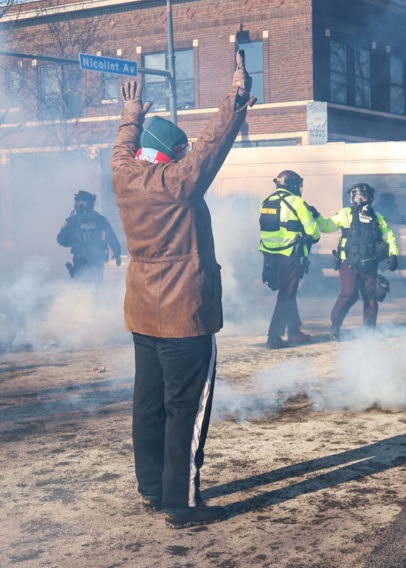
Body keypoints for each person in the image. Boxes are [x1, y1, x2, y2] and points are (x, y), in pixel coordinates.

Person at [111, 51, 255, 528]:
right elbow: (211, 146)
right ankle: (182, 504)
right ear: (173, 154)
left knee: (148, 406)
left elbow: (122, 148)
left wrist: (130, 117)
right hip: (184, 317)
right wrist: (235, 97)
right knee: (186, 411)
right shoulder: (178, 181)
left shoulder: (124, 176)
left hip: (142, 314)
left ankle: (152, 489)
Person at [321, 183, 399, 339]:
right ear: (351, 198)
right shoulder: (345, 213)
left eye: (363, 196)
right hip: (348, 263)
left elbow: (389, 236)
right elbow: (327, 226)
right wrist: (315, 217)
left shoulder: (376, 217)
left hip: (369, 263)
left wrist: (393, 254)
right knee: (349, 294)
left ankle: (369, 331)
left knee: (371, 296)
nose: (359, 199)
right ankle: (335, 326)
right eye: (356, 195)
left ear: (370, 198)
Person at [259, 169, 322, 349]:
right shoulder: (297, 202)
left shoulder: (267, 201)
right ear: (293, 185)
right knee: (286, 295)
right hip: (289, 255)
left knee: (288, 292)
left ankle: (295, 332)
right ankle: (274, 337)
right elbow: (314, 233)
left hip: (269, 255)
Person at [57, 190, 122, 281]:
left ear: (90, 202)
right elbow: (61, 239)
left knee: (96, 282)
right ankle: (76, 276)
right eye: (79, 201)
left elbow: (111, 236)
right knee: (81, 281)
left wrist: (117, 252)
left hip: (98, 258)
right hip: (80, 257)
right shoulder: (72, 221)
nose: (81, 203)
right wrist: (74, 242)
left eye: (83, 201)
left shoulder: (100, 220)